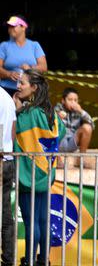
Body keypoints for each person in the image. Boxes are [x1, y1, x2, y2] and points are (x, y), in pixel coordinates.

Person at [13, 69, 65, 266]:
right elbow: (63, 132)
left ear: (33, 87)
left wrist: (17, 108)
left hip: (28, 175)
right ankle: (44, 259)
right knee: (43, 221)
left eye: (22, 83)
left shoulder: (26, 114)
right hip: (46, 173)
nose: (18, 87)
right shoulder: (50, 111)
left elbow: (11, 130)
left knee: (31, 222)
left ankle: (30, 262)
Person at [0, 16, 47, 93]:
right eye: (9, 27)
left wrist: (30, 68)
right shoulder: (4, 46)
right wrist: (9, 74)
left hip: (30, 91)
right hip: (7, 90)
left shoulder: (34, 45)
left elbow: (44, 68)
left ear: (23, 27)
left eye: (13, 26)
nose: (10, 29)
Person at [1, 86, 16, 266]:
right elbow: (12, 133)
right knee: (5, 214)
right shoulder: (7, 97)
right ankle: (8, 259)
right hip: (8, 158)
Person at [54, 88, 94, 155]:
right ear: (63, 101)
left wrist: (81, 111)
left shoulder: (79, 112)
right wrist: (56, 116)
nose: (73, 102)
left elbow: (92, 125)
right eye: (70, 100)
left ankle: (81, 157)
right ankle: (56, 156)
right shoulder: (57, 109)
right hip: (59, 143)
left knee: (87, 127)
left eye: (75, 100)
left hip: (72, 142)